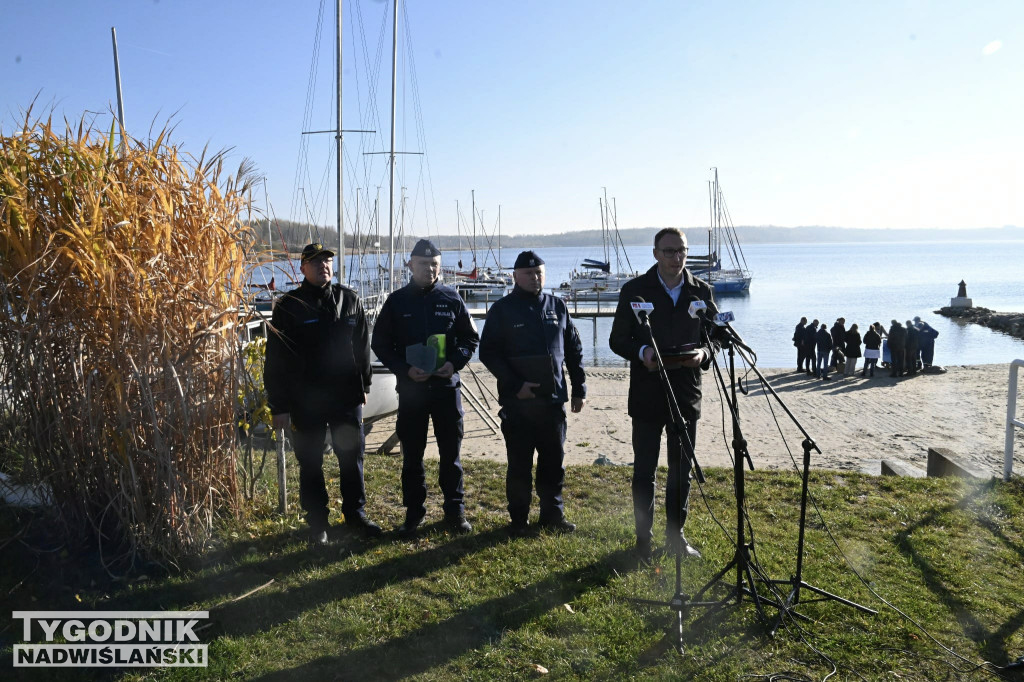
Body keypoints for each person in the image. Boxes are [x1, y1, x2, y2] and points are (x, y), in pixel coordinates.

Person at [609, 228, 721, 562]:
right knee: (644, 471)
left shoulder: (702, 291)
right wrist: (642, 350)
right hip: (647, 393)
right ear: (655, 253)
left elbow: (715, 336)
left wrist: (704, 353)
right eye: (669, 251)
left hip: (686, 394)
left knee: (680, 470)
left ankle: (676, 537)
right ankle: (643, 541)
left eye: (682, 251)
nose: (676, 258)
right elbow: (618, 340)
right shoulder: (634, 290)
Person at [264, 242, 382, 544]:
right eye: (316, 262)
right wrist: (279, 405)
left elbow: (362, 347)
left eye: (328, 261)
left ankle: (355, 515)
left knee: (351, 459)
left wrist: (364, 385)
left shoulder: (349, 299)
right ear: (303, 268)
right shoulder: (290, 305)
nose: (323, 266)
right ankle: (317, 524)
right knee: (311, 462)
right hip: (307, 400)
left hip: (345, 398)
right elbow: (276, 359)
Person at [371, 239, 479, 537]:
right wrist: (404, 369)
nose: (429, 269)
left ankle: (454, 512)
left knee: (450, 455)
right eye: (422, 264)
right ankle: (414, 514)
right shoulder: (396, 301)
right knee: (412, 456)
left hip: (446, 388)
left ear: (439, 267)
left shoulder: (452, 297)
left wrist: (454, 363)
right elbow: (380, 343)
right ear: (410, 265)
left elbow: (470, 339)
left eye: (434, 265)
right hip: (412, 391)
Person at [478, 250, 587, 537]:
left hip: (552, 403)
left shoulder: (557, 306)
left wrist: (579, 389)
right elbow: (488, 353)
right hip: (518, 403)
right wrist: (516, 386)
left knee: (553, 464)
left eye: (538, 272)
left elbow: (574, 350)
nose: (534, 277)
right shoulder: (502, 310)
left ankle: (552, 516)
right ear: (515, 276)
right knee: (519, 465)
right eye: (527, 273)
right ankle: (518, 520)